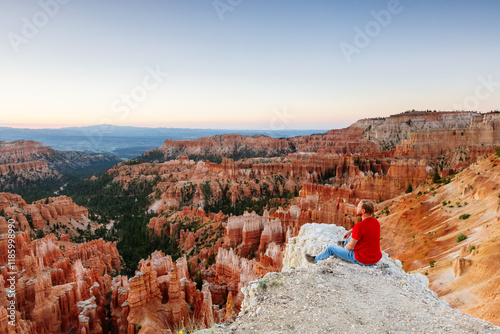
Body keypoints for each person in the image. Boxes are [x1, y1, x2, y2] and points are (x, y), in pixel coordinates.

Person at [305, 199, 382, 266]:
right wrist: (351, 231)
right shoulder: (375, 222)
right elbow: (365, 229)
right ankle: (343, 243)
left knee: (331, 248)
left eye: (358, 207)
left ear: (363, 211)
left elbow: (350, 247)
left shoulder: (359, 226)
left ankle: (315, 260)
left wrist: (343, 250)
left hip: (362, 259)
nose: (356, 208)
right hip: (375, 258)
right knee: (353, 237)